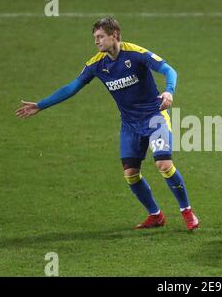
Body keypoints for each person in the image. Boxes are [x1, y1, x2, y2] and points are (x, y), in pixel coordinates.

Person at [15, 17, 199, 230]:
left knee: (163, 165)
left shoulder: (135, 53)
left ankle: (187, 212)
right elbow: (72, 87)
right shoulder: (96, 64)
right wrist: (41, 105)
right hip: (130, 125)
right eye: (95, 38)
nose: (96, 41)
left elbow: (170, 70)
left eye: (100, 36)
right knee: (131, 175)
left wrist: (169, 91)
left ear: (115, 36)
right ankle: (156, 215)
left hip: (154, 118)